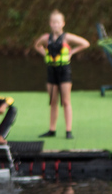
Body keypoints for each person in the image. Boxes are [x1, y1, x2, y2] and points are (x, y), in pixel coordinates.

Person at [33, 10, 89, 140]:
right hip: (51, 71)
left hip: (64, 71)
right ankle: (52, 129)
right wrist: (45, 54)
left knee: (65, 101)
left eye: (58, 22)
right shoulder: (46, 38)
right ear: (50, 24)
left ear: (63, 23)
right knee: (53, 101)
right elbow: (37, 46)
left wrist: (72, 52)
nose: (55, 25)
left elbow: (85, 44)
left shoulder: (67, 37)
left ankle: (68, 130)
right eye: (53, 22)